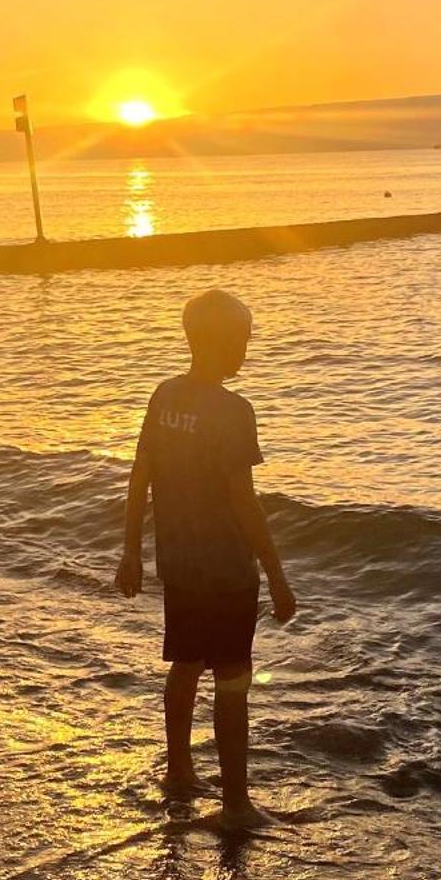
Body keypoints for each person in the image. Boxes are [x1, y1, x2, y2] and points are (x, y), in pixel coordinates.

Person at [116, 288, 296, 832]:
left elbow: (140, 474)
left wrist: (131, 550)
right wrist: (277, 574)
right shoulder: (233, 411)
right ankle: (236, 804)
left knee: (186, 663)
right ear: (226, 342)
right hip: (224, 568)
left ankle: (179, 771)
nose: (247, 349)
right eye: (244, 338)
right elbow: (243, 499)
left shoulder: (165, 395)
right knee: (234, 678)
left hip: (179, 562)